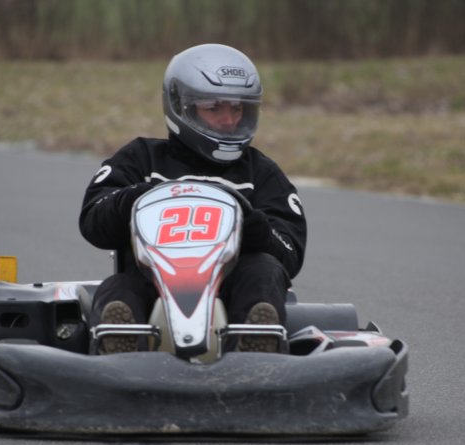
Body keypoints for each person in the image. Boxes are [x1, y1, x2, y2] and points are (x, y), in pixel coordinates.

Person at [79, 43, 307, 354]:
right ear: (180, 106)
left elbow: (289, 254)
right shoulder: (142, 159)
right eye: (214, 108)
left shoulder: (260, 173)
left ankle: (255, 345)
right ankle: (121, 344)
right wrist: (134, 200)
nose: (229, 120)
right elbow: (93, 221)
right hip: (151, 286)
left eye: (237, 109)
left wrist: (253, 225)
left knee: (265, 271)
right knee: (118, 288)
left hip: (233, 291)